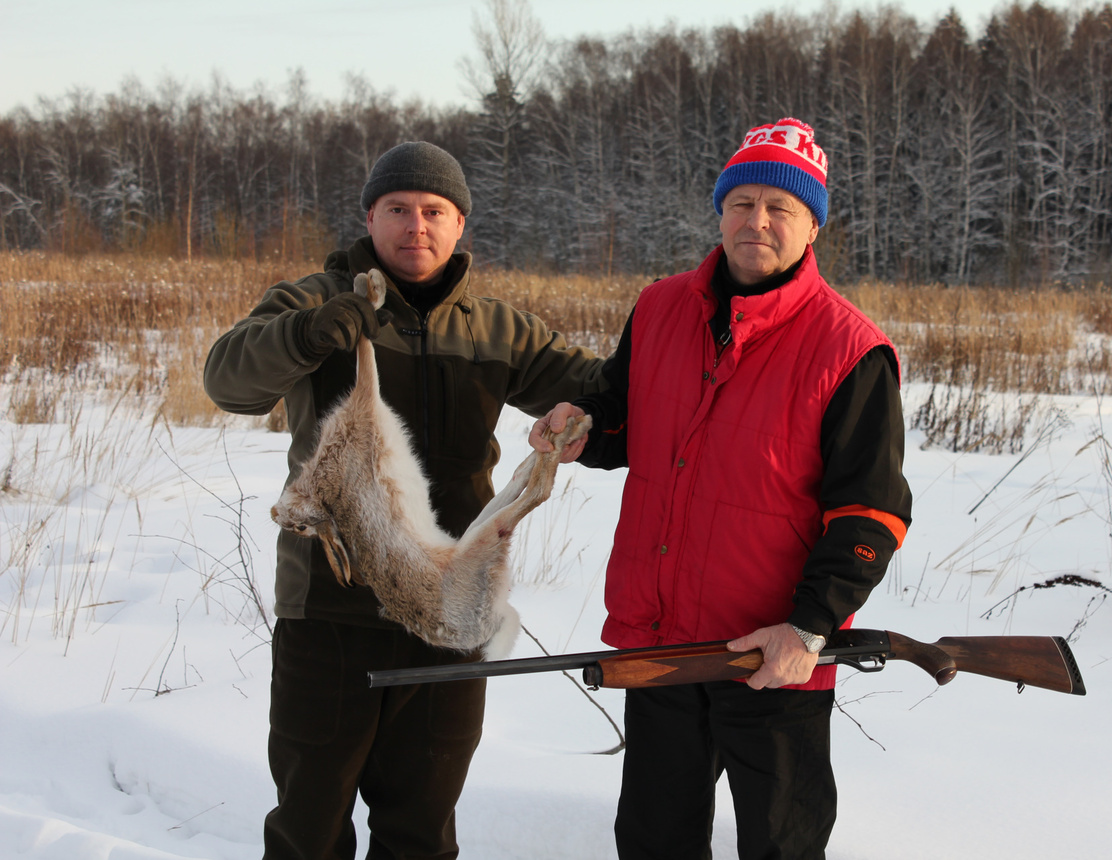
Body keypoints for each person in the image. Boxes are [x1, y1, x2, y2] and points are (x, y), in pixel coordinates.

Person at [204, 141, 603, 860]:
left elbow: (599, 390)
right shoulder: (313, 301)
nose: (415, 227)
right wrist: (304, 335)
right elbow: (228, 381)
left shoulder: (496, 329)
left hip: (450, 615)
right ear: (369, 217)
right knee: (309, 828)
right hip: (330, 613)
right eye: (398, 210)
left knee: (419, 829)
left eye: (433, 212)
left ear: (460, 228)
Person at [530, 117, 913, 860]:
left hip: (770, 657)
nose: (757, 220)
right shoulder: (660, 308)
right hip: (663, 642)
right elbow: (625, 420)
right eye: (742, 202)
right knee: (653, 841)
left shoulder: (849, 349)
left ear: (813, 228)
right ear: (720, 210)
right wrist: (584, 429)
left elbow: (872, 514)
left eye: (781, 207)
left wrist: (808, 629)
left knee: (781, 846)